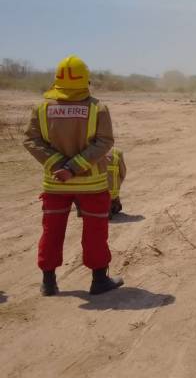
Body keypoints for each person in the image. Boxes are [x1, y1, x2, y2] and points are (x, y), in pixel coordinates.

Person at [23, 55, 124, 296]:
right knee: (95, 232)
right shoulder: (98, 108)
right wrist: (74, 167)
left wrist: (59, 165)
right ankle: (99, 281)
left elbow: (31, 140)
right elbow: (105, 142)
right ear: (85, 81)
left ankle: (48, 283)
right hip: (92, 184)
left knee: (52, 231)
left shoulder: (42, 108)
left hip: (55, 184)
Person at [106, 148, 126, 218]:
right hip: (111, 191)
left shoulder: (88, 149)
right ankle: (107, 208)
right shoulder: (117, 152)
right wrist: (117, 185)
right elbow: (123, 173)